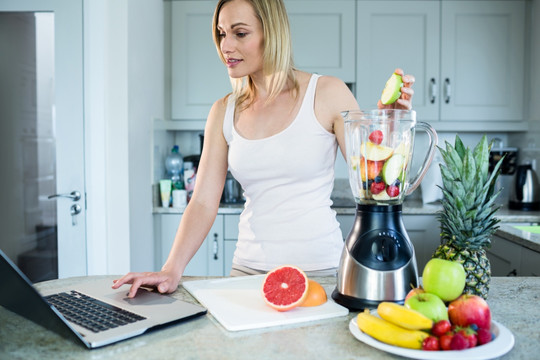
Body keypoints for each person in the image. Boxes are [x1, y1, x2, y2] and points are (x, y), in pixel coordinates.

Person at [113, 0, 415, 298]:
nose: (225, 46)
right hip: (247, 273)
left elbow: (374, 179)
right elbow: (203, 201)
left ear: (271, 33)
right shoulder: (223, 111)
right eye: (221, 33)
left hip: (320, 272)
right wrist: (171, 269)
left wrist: (389, 123)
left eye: (239, 33)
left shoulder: (327, 93)